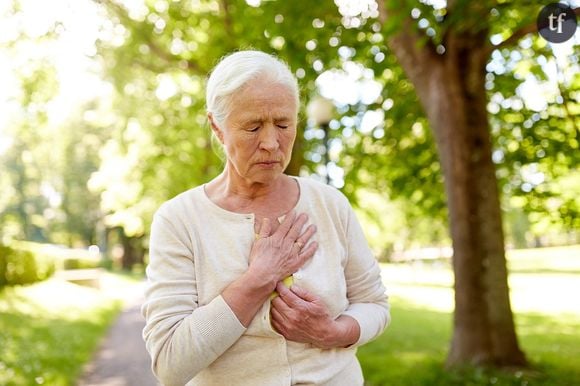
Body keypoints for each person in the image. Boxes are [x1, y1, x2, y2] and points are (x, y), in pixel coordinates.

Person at [142, 50, 390, 386]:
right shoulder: (179, 220)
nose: (271, 143)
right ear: (217, 127)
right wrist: (258, 278)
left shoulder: (330, 204)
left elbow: (374, 304)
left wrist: (332, 331)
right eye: (253, 126)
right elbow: (170, 364)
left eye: (283, 124)